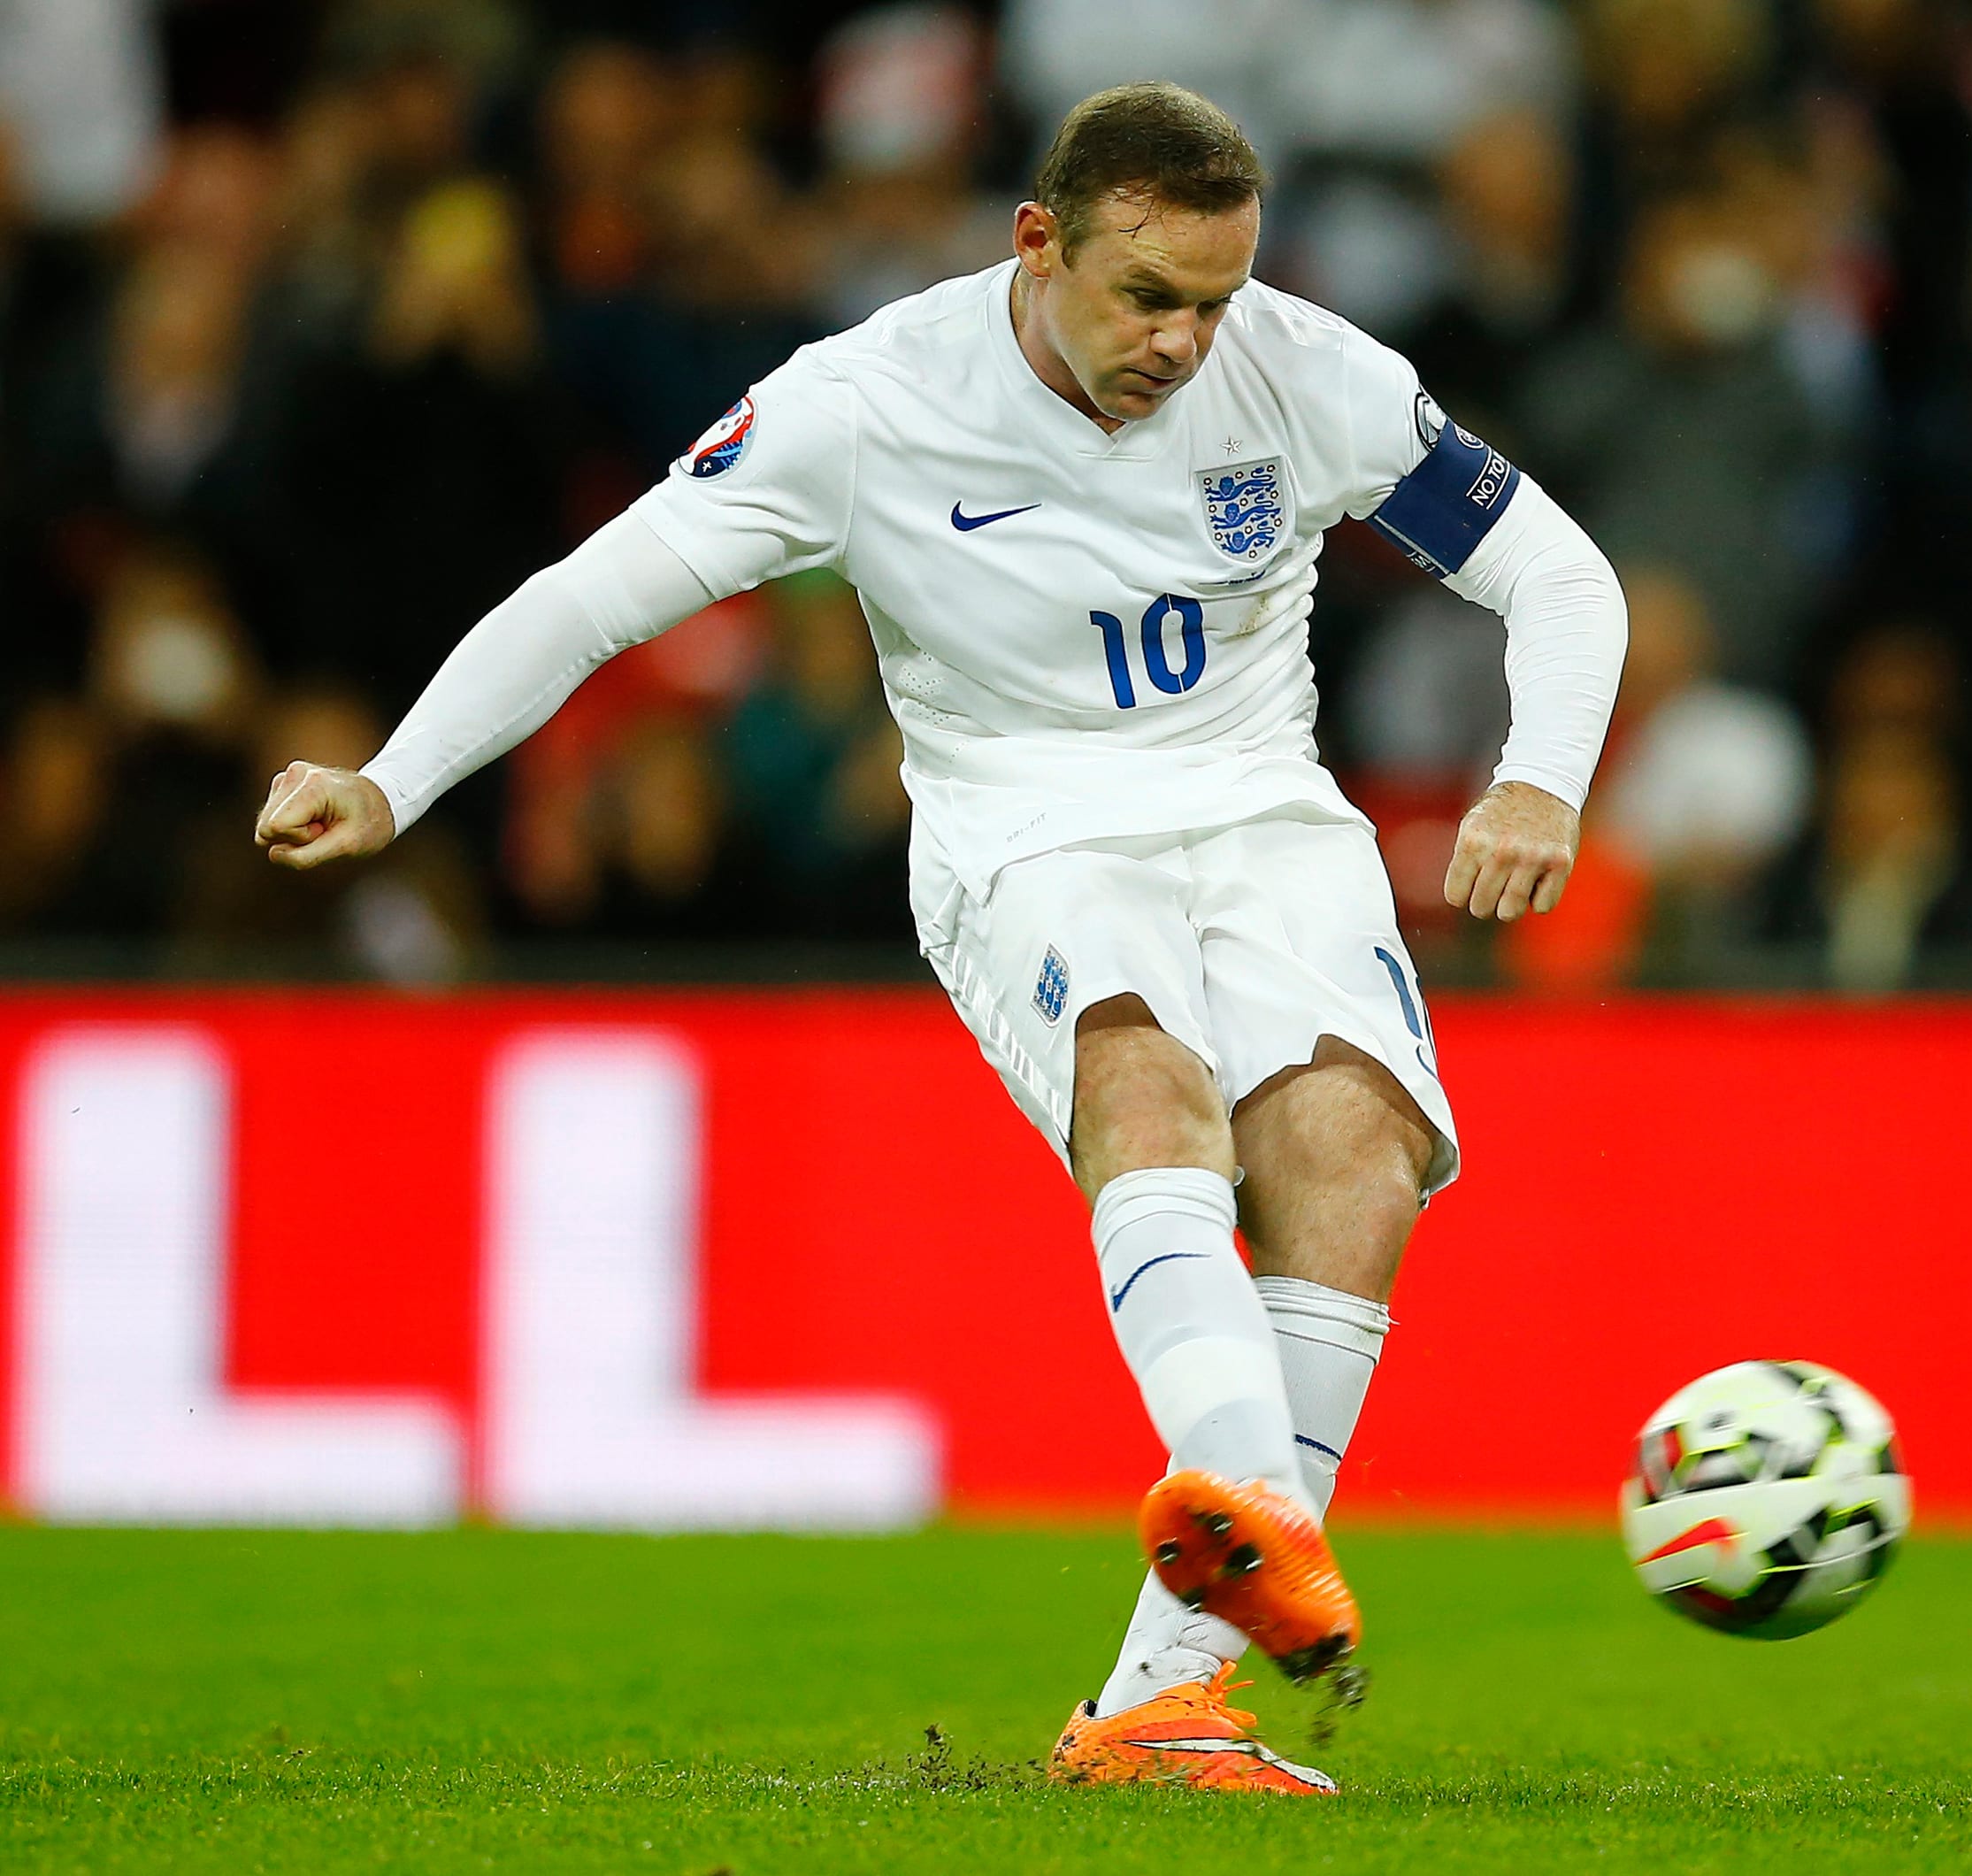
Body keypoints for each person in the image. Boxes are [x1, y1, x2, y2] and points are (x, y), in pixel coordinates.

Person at [252, 83, 1624, 1795]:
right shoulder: (866, 403)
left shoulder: (1306, 371)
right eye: (1148, 296)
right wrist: (394, 781)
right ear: (1038, 244)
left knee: (1354, 1155)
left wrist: (1539, 779)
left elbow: (1560, 576)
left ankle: (1160, 1705)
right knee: (1150, 1094)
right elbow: (595, 593)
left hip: (1263, 806)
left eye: (1214, 301)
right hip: (1025, 826)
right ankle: (1259, 1500)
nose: (1185, 343)